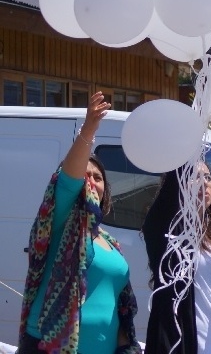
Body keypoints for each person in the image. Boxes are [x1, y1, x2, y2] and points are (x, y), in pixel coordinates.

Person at [17, 92, 141, 354]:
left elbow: (120, 306)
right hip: (51, 347)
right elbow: (67, 181)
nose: (91, 181)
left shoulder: (110, 243)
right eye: (85, 175)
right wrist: (89, 129)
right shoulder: (60, 223)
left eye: (97, 177)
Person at [141, 161, 211, 354]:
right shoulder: (168, 233)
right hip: (188, 345)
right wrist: (187, 146)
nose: (203, 182)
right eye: (194, 176)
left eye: (208, 177)